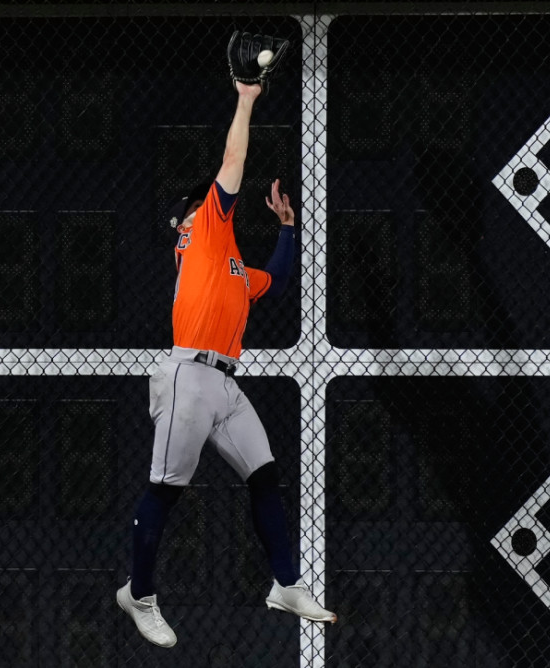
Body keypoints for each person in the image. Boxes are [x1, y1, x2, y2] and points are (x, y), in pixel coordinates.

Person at [116, 80, 336, 649]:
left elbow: (280, 280)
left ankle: (285, 584)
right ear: (191, 219)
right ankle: (138, 595)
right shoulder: (205, 231)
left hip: (223, 384)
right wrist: (246, 99)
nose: (211, 200)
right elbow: (234, 158)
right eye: (200, 201)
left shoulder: (233, 268)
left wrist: (287, 227)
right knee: (164, 490)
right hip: (188, 376)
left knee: (264, 476)